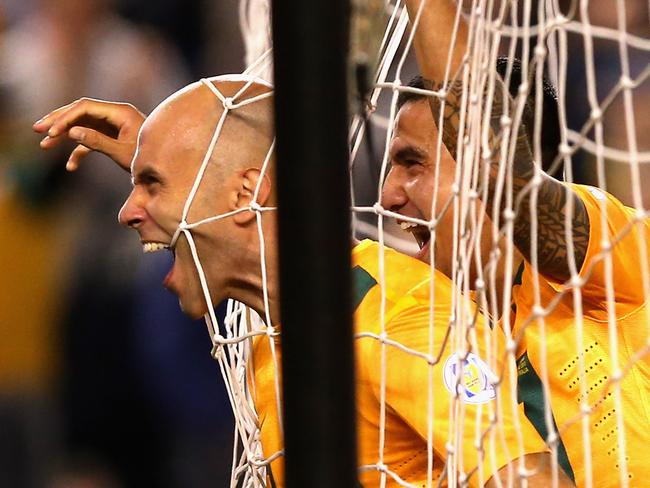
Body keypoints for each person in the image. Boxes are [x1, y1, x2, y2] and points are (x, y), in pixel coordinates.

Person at [34, 77, 573, 487]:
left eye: (150, 184)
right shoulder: (274, 325)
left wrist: (189, 177)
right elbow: (236, 181)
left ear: (246, 194)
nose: (127, 212)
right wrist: (171, 158)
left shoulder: (396, 317)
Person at [381, 0, 650, 485]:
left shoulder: (615, 248)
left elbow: (506, 176)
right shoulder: (422, 334)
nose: (387, 196)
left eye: (413, 164)